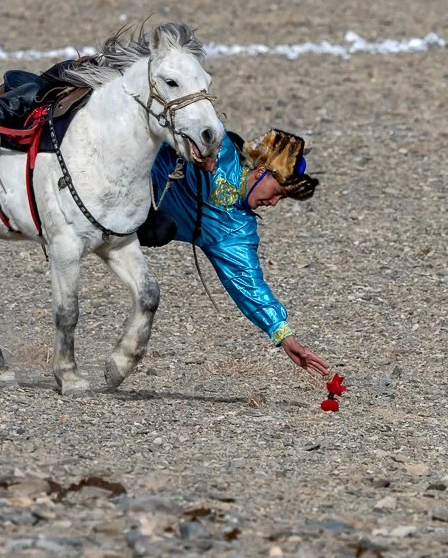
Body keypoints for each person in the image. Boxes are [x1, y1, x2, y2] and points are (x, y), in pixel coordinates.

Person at [138, 128, 331, 377]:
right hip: (132, 158)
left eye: (281, 200)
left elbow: (249, 282)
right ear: (262, 171)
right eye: (277, 193)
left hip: (137, 218)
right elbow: (188, 117)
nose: (273, 203)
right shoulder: (223, 150)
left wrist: (284, 335)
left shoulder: (238, 231)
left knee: (163, 230)